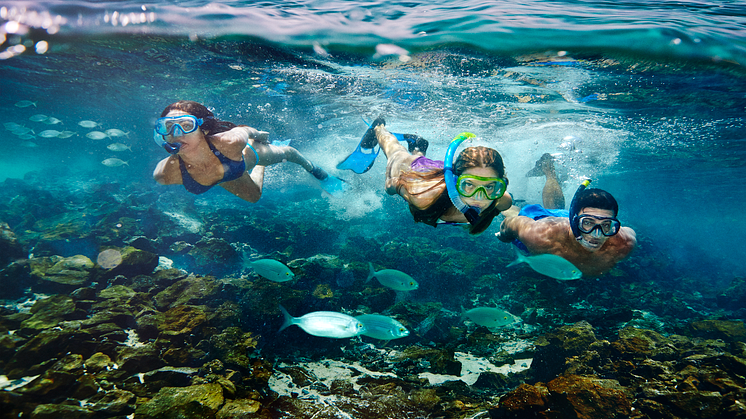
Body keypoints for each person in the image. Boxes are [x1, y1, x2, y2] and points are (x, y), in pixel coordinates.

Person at [340, 118, 512, 234]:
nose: (479, 197)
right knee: (395, 152)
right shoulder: (422, 195)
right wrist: (392, 186)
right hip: (416, 171)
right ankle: (379, 128)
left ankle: (418, 146)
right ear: (454, 181)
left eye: (489, 186)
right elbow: (393, 185)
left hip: (438, 171)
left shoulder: (501, 200)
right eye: (469, 184)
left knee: (418, 157)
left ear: (499, 186)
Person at [152, 100, 345, 202]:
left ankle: (319, 173)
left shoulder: (229, 142)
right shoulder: (165, 173)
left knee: (288, 153)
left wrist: (260, 136)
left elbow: (245, 130)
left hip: (240, 159)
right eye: (167, 127)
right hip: (222, 175)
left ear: (205, 130)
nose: (175, 134)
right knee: (254, 197)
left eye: (186, 125)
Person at [497, 154, 636, 276]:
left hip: (566, 223)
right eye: (588, 222)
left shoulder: (623, 244)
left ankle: (548, 169)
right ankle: (511, 200)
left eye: (605, 225)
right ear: (573, 221)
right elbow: (511, 224)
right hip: (543, 223)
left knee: (557, 208)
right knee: (514, 213)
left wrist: (590, 224)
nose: (596, 235)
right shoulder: (539, 234)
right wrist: (504, 236)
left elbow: (629, 233)